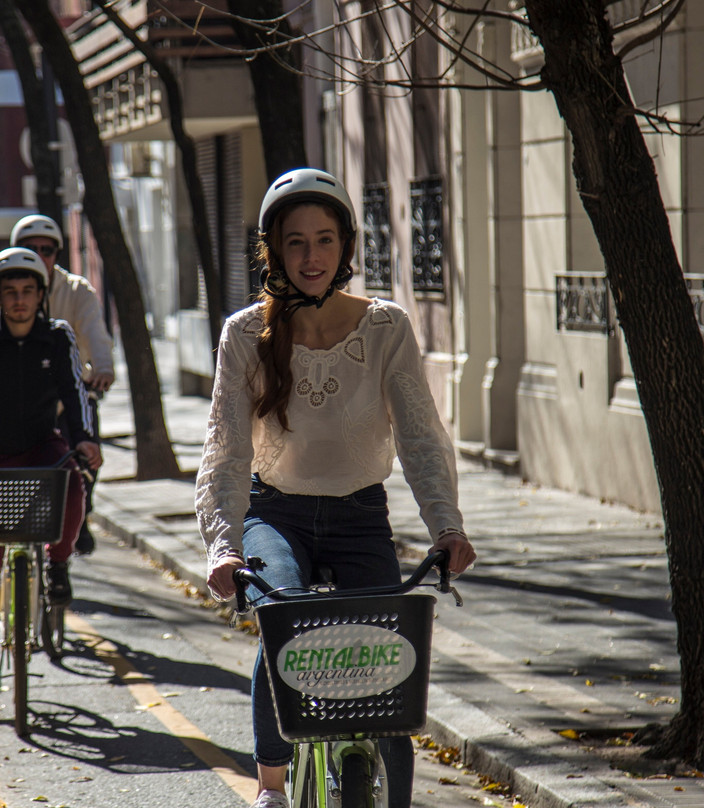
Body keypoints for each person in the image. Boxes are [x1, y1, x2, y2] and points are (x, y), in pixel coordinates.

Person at [194, 168, 477, 808]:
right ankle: (271, 784)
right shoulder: (243, 334)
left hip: (359, 513)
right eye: (295, 242)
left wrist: (446, 525)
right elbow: (228, 449)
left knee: (388, 661)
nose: (311, 256)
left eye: (324, 240)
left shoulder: (386, 328)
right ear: (274, 250)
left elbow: (421, 435)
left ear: (345, 247)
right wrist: (222, 545)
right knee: (283, 622)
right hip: (275, 512)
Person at [0, 247, 103, 691]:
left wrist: (85, 440)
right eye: (10, 292)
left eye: (28, 290)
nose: (19, 300)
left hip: (40, 447)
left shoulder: (59, 336)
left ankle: (59, 564)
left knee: (73, 480)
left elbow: (75, 393)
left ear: (41, 294)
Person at [0, 214, 114, 555]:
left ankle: (77, 522)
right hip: (15, 404)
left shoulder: (77, 291)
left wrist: (103, 369)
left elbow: (97, 337)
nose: (40, 255)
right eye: (29, 248)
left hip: (68, 397)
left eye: (47, 249)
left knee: (84, 460)